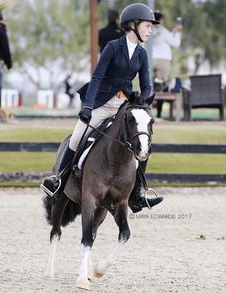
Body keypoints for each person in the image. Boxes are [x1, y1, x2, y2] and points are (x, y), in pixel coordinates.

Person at [41, 3, 164, 213]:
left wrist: (143, 103)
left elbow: (146, 85)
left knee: (141, 140)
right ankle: (58, 182)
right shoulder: (113, 47)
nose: (150, 30)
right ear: (133, 25)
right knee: (77, 136)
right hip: (101, 102)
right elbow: (97, 77)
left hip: (122, 106)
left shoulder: (142, 55)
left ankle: (137, 194)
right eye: (147, 26)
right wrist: (88, 106)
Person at [152, 11, 182, 118]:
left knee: (151, 86)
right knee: (162, 87)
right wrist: (178, 33)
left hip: (151, 60)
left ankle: (148, 111)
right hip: (163, 61)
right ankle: (159, 114)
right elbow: (176, 43)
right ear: (161, 20)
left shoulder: (150, 30)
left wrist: (172, 33)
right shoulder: (163, 31)